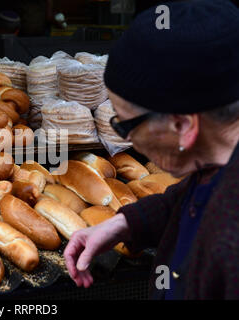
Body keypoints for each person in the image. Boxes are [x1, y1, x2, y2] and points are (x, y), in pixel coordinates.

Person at [64, 0, 239, 299]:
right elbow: (188, 199)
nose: (127, 140)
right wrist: (124, 223)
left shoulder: (230, 242)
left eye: (125, 125)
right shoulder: (216, 161)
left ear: (183, 125)